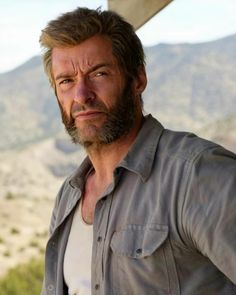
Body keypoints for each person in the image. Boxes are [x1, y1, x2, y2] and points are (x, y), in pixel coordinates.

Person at [39, 7, 236, 295]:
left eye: (99, 73)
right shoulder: (68, 197)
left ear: (138, 80)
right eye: (66, 81)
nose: (82, 95)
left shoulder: (199, 175)